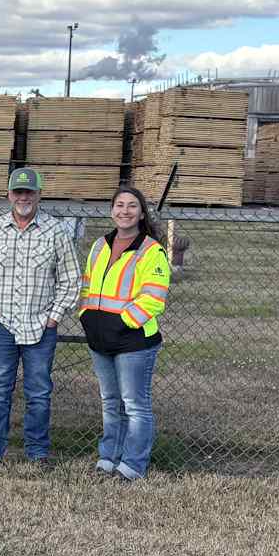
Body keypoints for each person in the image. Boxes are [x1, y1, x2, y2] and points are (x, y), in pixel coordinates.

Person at [0, 166, 80, 469]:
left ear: (39, 195)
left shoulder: (56, 232)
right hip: (1, 324)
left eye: (29, 192)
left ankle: (38, 452)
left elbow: (71, 279)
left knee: (39, 392)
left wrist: (54, 317)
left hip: (40, 326)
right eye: (18, 192)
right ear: (9, 195)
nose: (23, 197)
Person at [78, 185, 170, 482]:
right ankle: (109, 457)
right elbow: (87, 286)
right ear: (111, 210)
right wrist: (87, 316)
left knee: (134, 405)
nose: (125, 211)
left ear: (141, 213)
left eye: (132, 206)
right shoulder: (99, 246)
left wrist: (122, 322)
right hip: (100, 338)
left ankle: (133, 465)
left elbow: (153, 297)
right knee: (109, 401)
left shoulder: (151, 250)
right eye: (120, 205)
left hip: (134, 341)